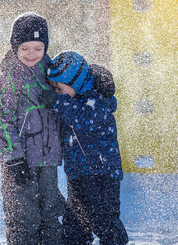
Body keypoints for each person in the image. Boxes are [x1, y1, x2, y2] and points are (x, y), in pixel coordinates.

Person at [0, 12, 64, 245]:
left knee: (52, 215)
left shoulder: (53, 75)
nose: (31, 55)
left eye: (38, 48)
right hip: (19, 164)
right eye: (24, 49)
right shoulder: (5, 80)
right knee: (23, 218)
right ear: (14, 48)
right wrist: (13, 159)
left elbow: (72, 98)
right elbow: (0, 121)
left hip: (48, 162)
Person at [39, 51, 129, 245]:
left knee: (103, 218)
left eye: (59, 88)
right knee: (75, 223)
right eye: (53, 89)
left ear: (76, 83)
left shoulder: (97, 102)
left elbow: (82, 120)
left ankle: (116, 241)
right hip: (79, 174)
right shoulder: (74, 99)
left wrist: (57, 101)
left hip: (101, 175)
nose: (56, 93)